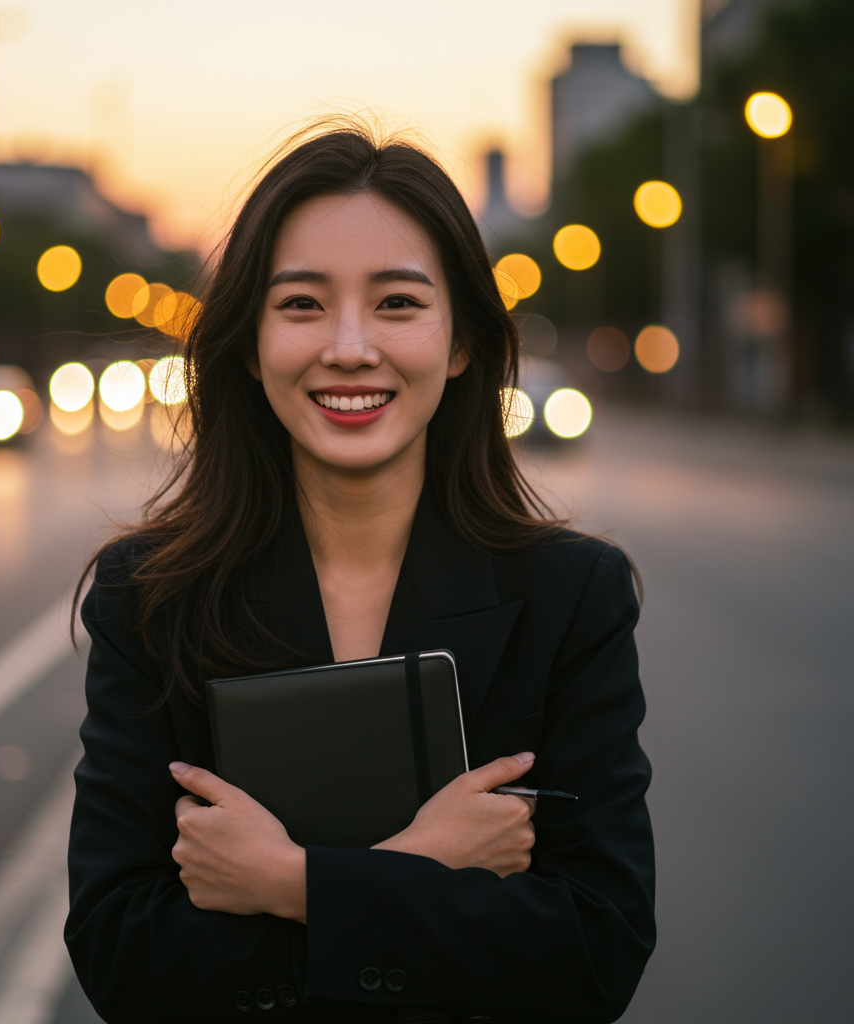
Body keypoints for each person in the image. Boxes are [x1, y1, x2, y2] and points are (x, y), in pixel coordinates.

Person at [65, 124, 655, 1024]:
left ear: (460, 343)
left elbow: (592, 953)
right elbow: (124, 955)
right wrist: (422, 870)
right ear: (250, 342)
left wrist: (291, 881)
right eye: (301, 304)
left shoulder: (572, 598)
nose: (348, 347)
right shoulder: (150, 599)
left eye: (398, 304)